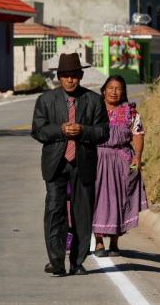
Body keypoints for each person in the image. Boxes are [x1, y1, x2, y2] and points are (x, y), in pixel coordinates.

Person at [32, 53, 110, 276]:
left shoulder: (94, 100)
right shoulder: (46, 101)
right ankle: (56, 261)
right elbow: (38, 130)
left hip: (83, 163)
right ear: (58, 77)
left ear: (81, 76)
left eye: (74, 75)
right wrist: (61, 130)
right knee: (55, 211)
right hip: (56, 164)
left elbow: (104, 132)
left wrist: (83, 131)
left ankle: (77, 261)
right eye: (65, 75)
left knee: (82, 214)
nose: (70, 80)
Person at [93, 75, 149, 257]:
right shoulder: (93, 110)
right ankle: (99, 242)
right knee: (97, 198)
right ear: (103, 90)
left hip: (123, 161)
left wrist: (137, 157)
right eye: (110, 88)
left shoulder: (131, 112)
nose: (114, 92)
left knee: (120, 199)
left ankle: (115, 242)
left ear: (123, 92)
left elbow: (138, 134)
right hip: (98, 158)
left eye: (118, 88)